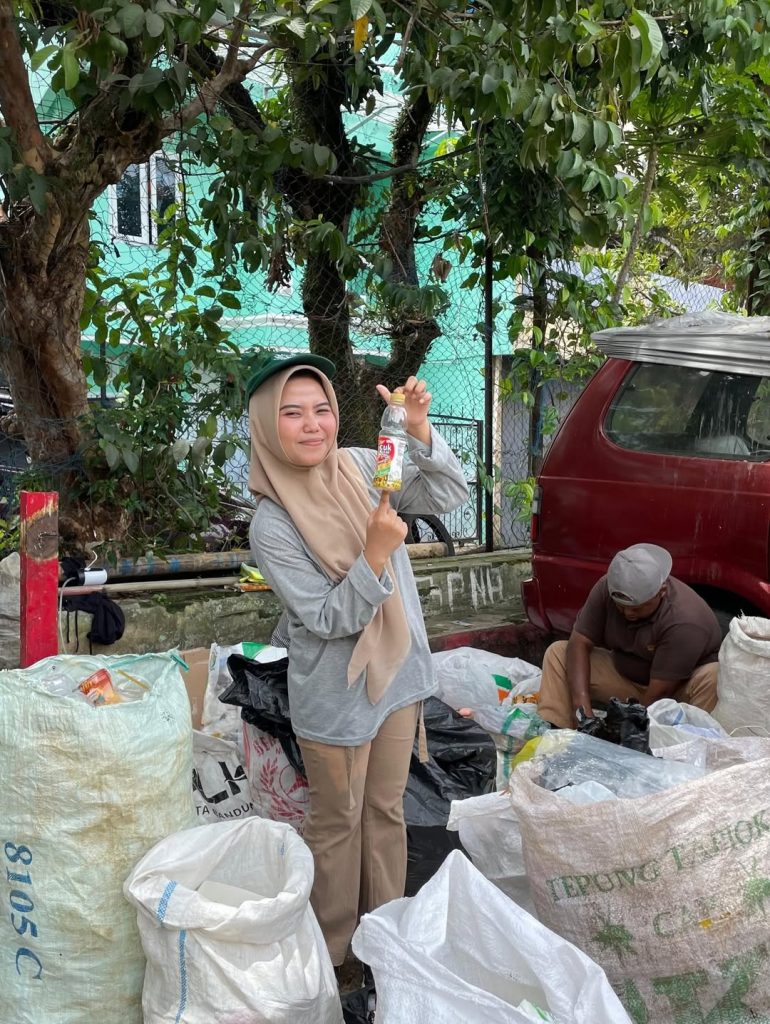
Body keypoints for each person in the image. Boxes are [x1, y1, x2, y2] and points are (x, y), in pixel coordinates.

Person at [246, 354, 468, 984]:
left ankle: (386, 940)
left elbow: (447, 494)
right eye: (293, 413)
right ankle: (335, 957)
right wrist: (374, 558)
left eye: (321, 410)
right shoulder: (273, 524)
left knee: (385, 812)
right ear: (266, 426)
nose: (312, 425)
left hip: (397, 675)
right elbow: (325, 617)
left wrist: (418, 428)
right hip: (336, 692)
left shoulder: (360, 466)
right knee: (338, 822)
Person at [537, 542, 721, 729]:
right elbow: (579, 642)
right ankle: (555, 730)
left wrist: (625, 731)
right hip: (626, 679)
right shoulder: (607, 588)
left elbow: (661, 692)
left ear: (662, 592)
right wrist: (583, 712)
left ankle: (689, 738)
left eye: (636, 608)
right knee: (559, 654)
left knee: (713, 676)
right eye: (621, 606)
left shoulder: (685, 620)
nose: (628, 613)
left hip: (673, 692)